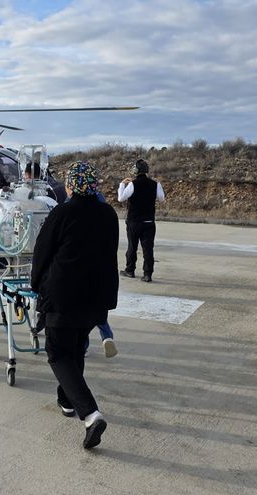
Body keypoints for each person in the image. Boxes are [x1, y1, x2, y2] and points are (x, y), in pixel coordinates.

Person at [31, 161, 119, 449]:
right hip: (95, 299)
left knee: (57, 353)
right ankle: (67, 400)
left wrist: (35, 285)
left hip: (63, 295)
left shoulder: (63, 212)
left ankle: (90, 414)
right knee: (76, 346)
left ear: (71, 185)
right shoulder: (108, 214)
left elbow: (42, 253)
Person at [117, 159, 166, 283]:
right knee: (148, 248)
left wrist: (122, 184)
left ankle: (130, 270)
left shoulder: (133, 184)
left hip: (134, 221)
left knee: (132, 247)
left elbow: (121, 198)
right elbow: (161, 199)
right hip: (149, 221)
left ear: (136, 171)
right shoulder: (156, 184)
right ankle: (147, 274)